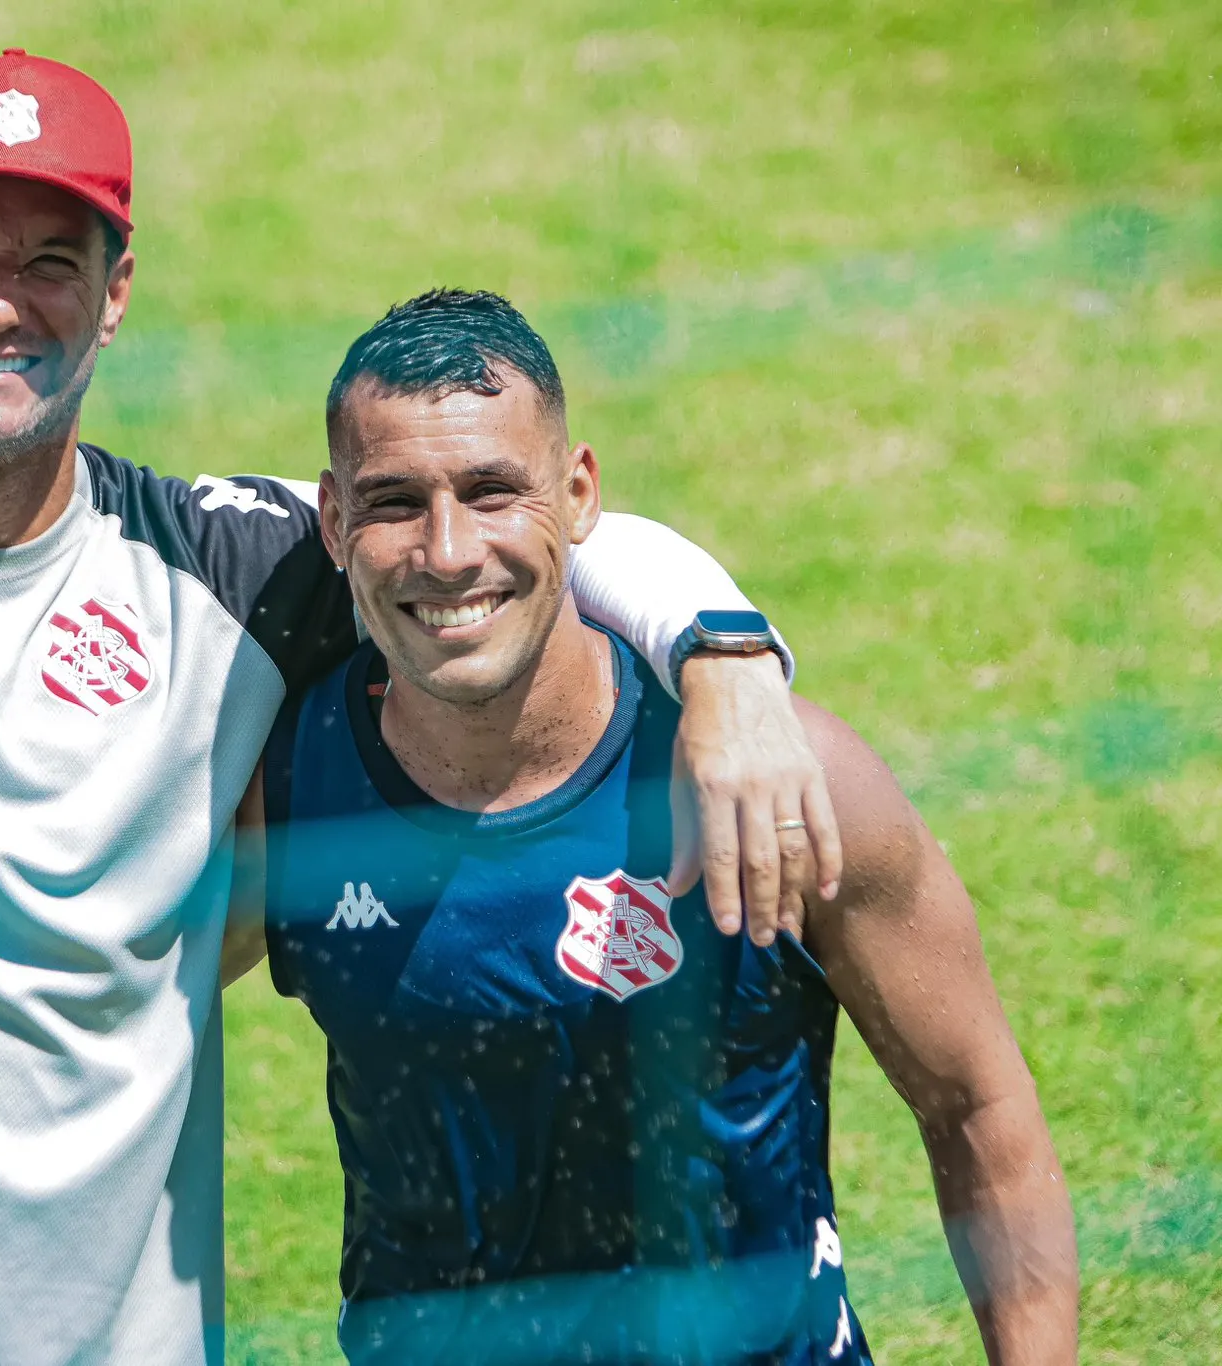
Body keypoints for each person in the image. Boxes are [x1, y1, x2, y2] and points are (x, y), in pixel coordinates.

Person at [0, 38, 841, 1365]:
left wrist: (724, 653)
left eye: (49, 261)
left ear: (116, 293)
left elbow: (500, 538)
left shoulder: (229, 567)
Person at [230, 289, 1078, 1364]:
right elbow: (111, 1008)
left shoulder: (776, 777)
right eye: (395, 501)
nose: (446, 552)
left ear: (577, 494)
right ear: (334, 520)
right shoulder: (294, 791)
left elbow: (976, 1106)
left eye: (492, 491)